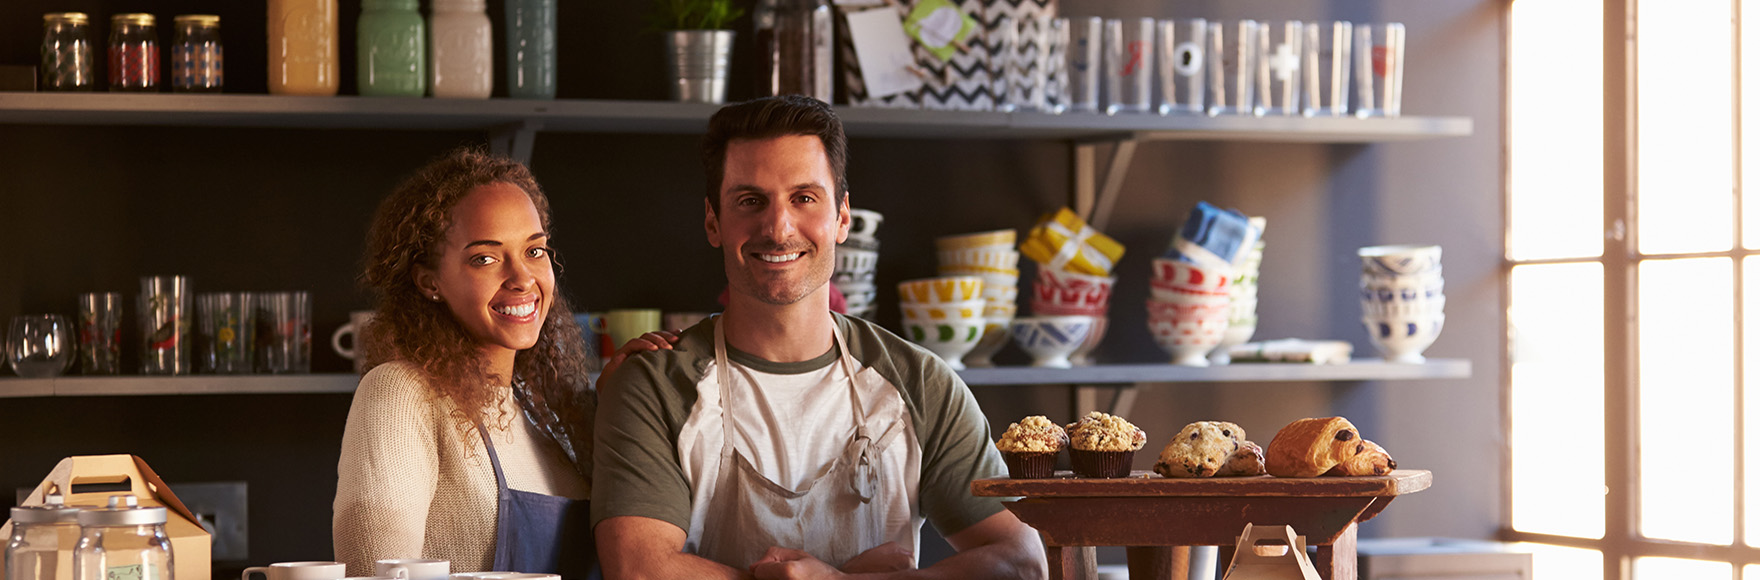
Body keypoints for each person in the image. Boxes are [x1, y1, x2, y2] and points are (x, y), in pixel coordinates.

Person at [592, 95, 1047, 580]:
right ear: (712, 221)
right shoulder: (654, 386)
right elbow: (639, 570)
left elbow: (1020, 562)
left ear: (842, 217)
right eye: (750, 201)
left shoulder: (919, 383)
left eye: (803, 198)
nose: (778, 227)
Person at [334, 149, 597, 577]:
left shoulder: (550, 413)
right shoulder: (402, 392)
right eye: (485, 258)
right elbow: (373, 571)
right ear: (429, 281)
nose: (522, 278)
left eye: (534, 251)